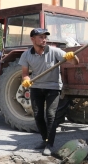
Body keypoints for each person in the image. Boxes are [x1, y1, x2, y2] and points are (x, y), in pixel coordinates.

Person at [20, 28, 79, 156]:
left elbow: (75, 62)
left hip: (53, 87)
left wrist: (72, 57)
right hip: (36, 87)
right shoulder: (26, 55)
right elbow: (25, 74)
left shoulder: (54, 51)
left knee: (51, 114)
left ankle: (49, 144)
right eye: (40, 37)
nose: (44, 39)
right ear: (33, 39)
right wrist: (26, 80)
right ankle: (44, 139)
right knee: (38, 115)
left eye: (45, 37)